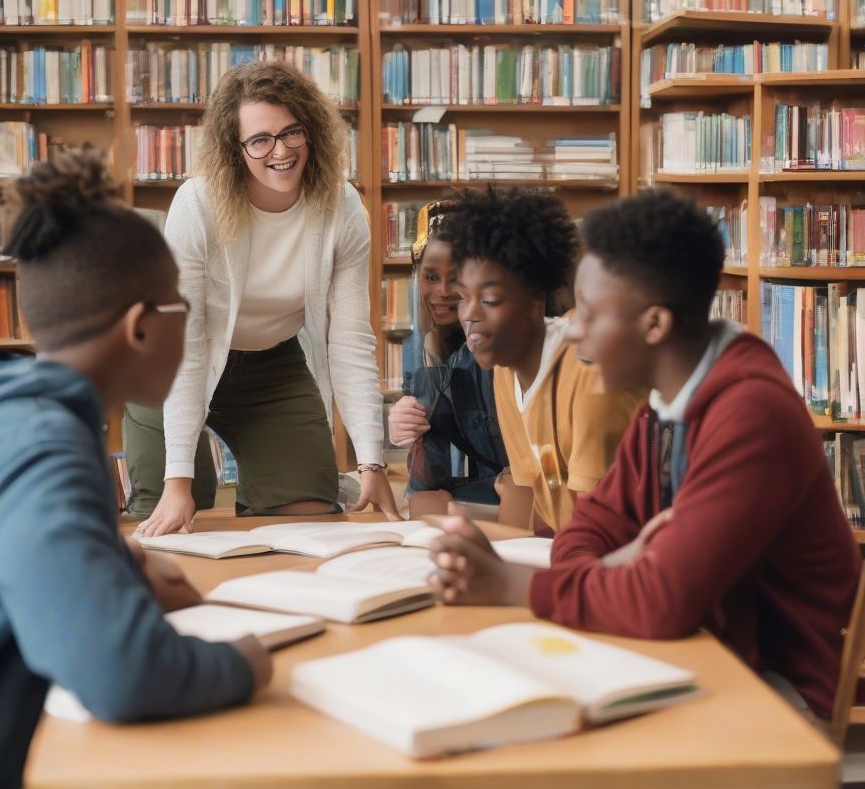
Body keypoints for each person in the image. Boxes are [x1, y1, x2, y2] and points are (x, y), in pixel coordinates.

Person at [0, 150, 271, 789]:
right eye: (183, 312)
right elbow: (120, 675)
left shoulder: (17, 421)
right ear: (139, 328)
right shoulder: (40, 447)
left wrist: (118, 575)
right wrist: (247, 664)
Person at [429, 188, 861, 723]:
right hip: (702, 649)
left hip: (780, 690)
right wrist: (623, 565)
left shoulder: (750, 413)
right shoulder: (666, 404)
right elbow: (587, 530)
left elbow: (662, 599)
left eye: (589, 312)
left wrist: (509, 584)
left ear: (654, 325)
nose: (574, 329)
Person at [135, 60, 399, 537]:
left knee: (309, 518)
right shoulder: (197, 205)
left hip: (271, 368)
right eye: (259, 140)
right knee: (168, 518)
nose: (279, 151)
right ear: (235, 150)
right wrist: (179, 482)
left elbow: (350, 338)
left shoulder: (341, 206)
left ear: (312, 131)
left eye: (291, 132)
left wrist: (372, 462)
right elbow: (188, 341)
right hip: (168, 365)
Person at [436, 186, 643, 532]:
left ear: (535, 301)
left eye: (490, 300)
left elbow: (602, 528)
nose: (470, 315)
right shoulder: (507, 366)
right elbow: (548, 494)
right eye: (462, 297)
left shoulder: (591, 374)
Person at [389, 201, 510, 517]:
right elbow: (427, 484)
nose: (441, 291)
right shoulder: (430, 349)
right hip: (491, 500)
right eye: (430, 277)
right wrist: (408, 431)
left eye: (455, 277)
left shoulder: (504, 350)